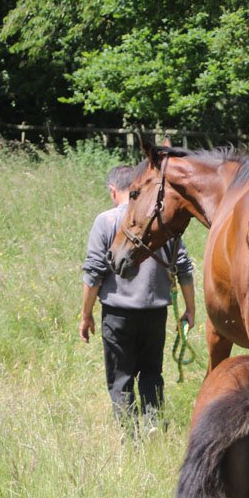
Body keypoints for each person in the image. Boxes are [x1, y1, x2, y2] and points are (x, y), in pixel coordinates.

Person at [79, 164, 196, 416]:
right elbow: (184, 267)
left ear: (113, 191)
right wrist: (190, 309)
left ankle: (127, 428)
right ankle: (153, 422)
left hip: (117, 313)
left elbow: (94, 274)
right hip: (155, 312)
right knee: (152, 371)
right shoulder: (160, 219)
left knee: (120, 375)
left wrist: (86, 315)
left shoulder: (106, 221)